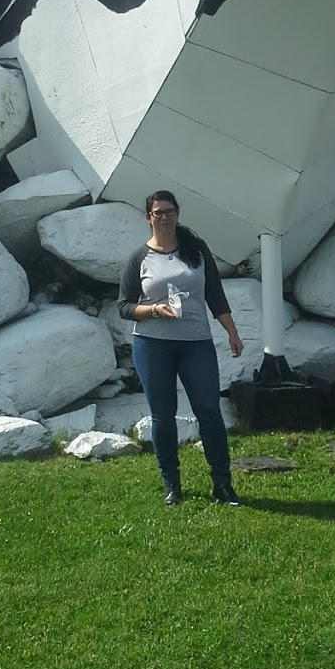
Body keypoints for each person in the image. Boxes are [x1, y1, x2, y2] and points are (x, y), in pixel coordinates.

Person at [118, 191, 244, 506]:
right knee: (163, 415)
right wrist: (153, 311)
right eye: (158, 212)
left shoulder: (197, 251)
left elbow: (215, 293)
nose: (164, 217)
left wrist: (232, 332)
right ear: (148, 218)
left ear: (177, 214)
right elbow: (123, 306)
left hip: (195, 343)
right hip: (152, 344)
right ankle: (172, 485)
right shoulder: (139, 258)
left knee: (209, 412)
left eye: (169, 211)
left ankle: (223, 483)